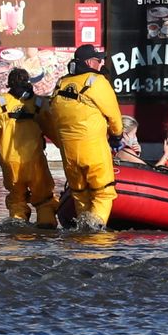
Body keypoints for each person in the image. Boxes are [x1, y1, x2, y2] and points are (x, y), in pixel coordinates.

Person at [0, 68, 59, 228]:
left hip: (9, 161)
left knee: (17, 199)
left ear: (9, 83)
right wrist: (65, 148)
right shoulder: (38, 103)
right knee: (44, 198)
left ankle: (18, 229)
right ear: (28, 82)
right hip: (34, 160)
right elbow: (54, 129)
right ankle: (47, 227)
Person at [48, 44, 122, 229]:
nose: (102, 63)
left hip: (69, 154)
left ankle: (81, 234)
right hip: (93, 150)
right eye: (99, 60)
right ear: (90, 62)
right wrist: (117, 136)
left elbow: (54, 118)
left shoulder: (61, 84)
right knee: (103, 193)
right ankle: (95, 237)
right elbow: (114, 116)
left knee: (80, 193)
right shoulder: (97, 82)